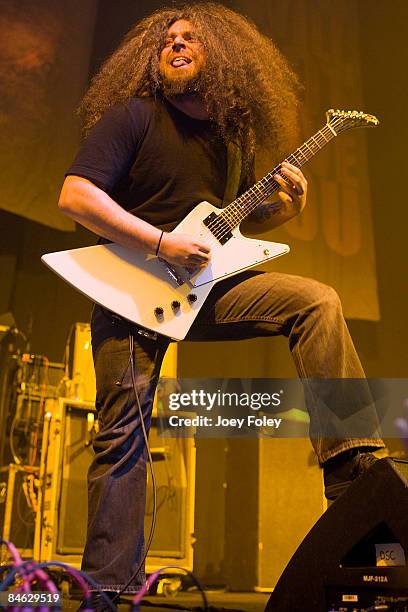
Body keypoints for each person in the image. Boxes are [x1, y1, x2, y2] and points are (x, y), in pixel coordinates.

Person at [58, 2, 385, 604]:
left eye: (190, 39)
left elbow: (220, 232)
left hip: (200, 291)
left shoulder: (234, 142)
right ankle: (107, 591)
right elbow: (76, 195)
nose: (175, 45)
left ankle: (351, 465)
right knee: (122, 432)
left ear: (226, 58)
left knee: (316, 301)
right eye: (168, 40)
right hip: (130, 289)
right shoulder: (135, 117)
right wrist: (159, 241)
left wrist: (283, 210)